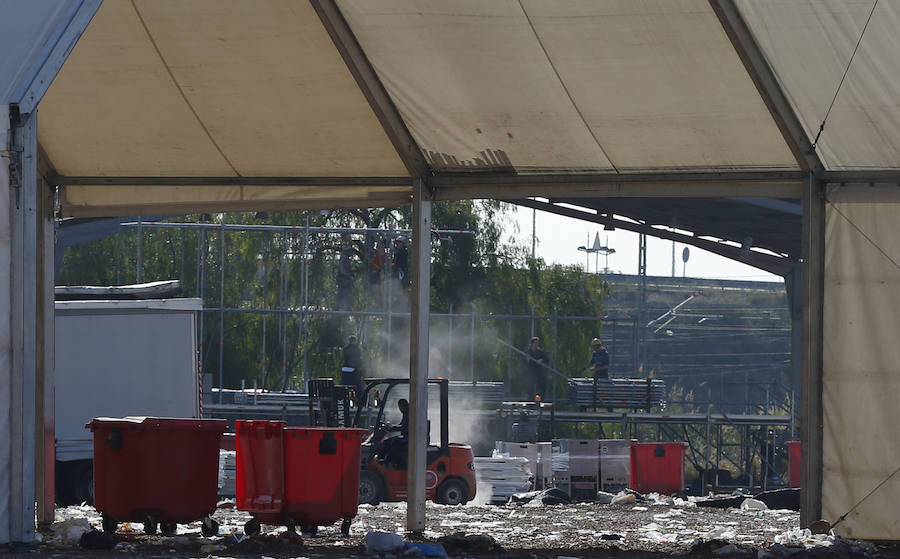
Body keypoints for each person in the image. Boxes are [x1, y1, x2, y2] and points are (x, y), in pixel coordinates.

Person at [382, 398, 409, 467]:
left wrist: (393, 427)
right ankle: (385, 459)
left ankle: (391, 461)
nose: (400, 409)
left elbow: (404, 427)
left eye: (400, 407)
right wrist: (392, 427)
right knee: (387, 441)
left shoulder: (409, 414)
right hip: (406, 436)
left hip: (409, 437)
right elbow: (402, 425)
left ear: (404, 406)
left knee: (395, 441)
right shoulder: (406, 413)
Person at [586, 337, 610, 410]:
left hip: (603, 375)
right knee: (595, 391)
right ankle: (594, 406)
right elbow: (592, 362)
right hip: (596, 376)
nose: (593, 349)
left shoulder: (605, 354)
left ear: (598, 346)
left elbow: (606, 366)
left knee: (604, 392)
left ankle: (608, 407)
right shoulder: (595, 354)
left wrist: (595, 369)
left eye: (594, 347)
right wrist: (586, 367)